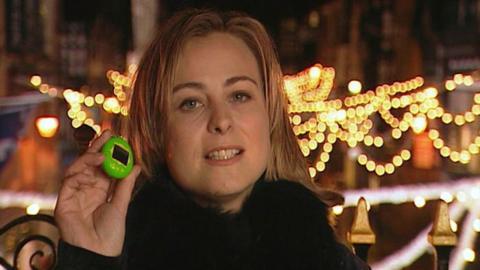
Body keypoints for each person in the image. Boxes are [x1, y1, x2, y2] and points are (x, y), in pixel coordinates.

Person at [54, 8, 371, 270]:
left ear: (270, 115)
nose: (220, 121)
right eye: (191, 102)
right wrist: (89, 258)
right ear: (157, 129)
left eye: (240, 95)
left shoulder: (332, 262)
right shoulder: (115, 255)